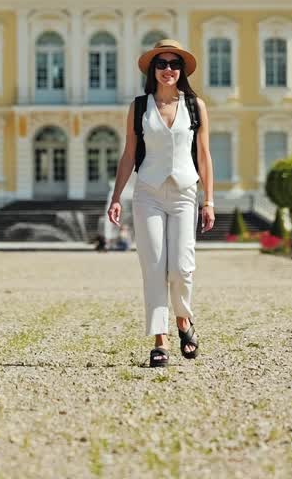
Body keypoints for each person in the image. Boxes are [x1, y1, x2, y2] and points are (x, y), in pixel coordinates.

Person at [107, 39, 216, 368]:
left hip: (185, 193)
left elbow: (204, 155)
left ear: (182, 70)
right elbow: (129, 154)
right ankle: (161, 339)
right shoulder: (139, 107)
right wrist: (116, 197)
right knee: (153, 267)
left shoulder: (195, 106)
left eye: (174, 64)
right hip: (148, 194)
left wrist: (209, 200)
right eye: (162, 64)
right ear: (152, 70)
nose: (168, 69)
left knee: (181, 267)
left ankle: (183, 319)